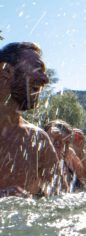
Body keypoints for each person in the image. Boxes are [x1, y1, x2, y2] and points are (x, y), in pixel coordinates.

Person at [0, 42, 59, 197]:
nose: (45, 79)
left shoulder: (38, 140)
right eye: (37, 68)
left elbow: (62, 202)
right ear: (6, 71)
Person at [44, 120, 86, 192]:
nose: (62, 146)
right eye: (56, 141)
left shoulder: (69, 155)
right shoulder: (37, 157)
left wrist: (80, 153)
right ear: (44, 138)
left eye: (66, 142)